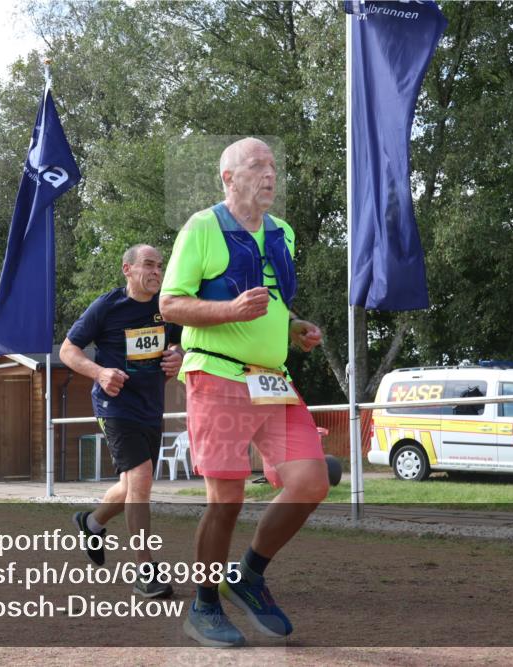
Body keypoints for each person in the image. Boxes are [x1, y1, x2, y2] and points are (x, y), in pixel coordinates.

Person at [159, 137, 328, 647]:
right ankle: (204, 604)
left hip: (272, 379)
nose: (269, 174)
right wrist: (228, 312)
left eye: (273, 166)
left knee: (311, 482)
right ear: (228, 178)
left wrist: (295, 328)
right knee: (226, 499)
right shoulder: (202, 227)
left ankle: (248, 574)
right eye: (257, 165)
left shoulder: (283, 233)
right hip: (218, 374)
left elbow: (273, 304)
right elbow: (169, 303)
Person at [60, 244, 183, 599]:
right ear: (127, 269)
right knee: (141, 479)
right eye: (148, 264)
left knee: (132, 486)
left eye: (160, 266)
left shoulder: (167, 308)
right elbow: (69, 350)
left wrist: (178, 356)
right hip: (114, 407)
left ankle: (92, 522)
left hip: (150, 408)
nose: (156, 271)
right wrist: (99, 373)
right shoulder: (107, 307)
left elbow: (180, 345)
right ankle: (146, 570)